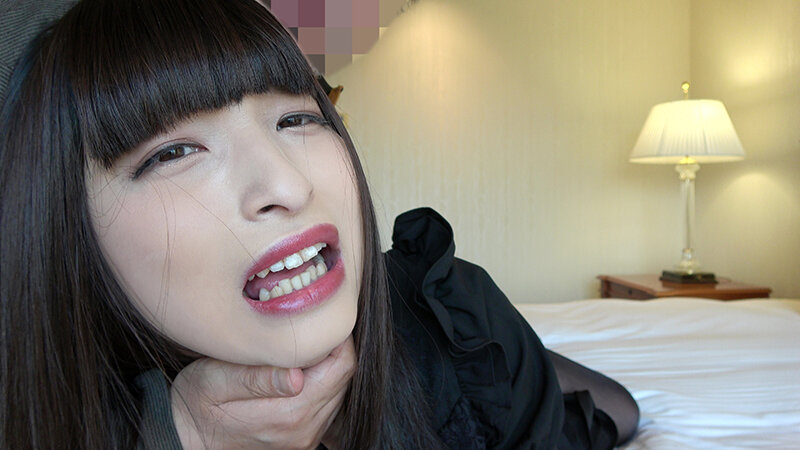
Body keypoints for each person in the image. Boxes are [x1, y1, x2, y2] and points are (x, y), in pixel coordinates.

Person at [0, 0, 638, 448]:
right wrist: (184, 437)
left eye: (297, 118)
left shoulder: (455, 315)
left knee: (613, 409)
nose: (288, 185)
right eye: (174, 152)